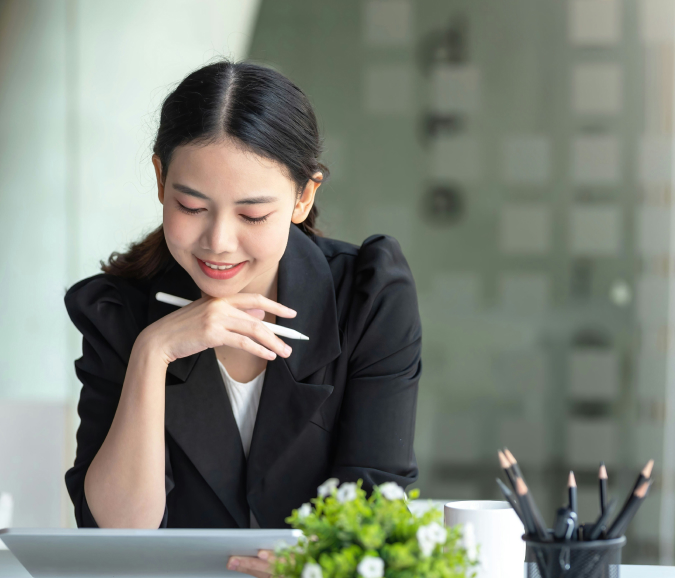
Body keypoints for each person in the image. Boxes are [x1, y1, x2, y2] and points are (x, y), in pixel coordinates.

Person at [64, 60, 421, 577]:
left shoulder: (367, 297)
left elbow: (378, 506)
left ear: (304, 197)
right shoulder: (119, 312)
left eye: (252, 215)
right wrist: (152, 352)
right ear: (161, 180)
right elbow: (118, 536)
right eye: (192, 206)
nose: (219, 243)